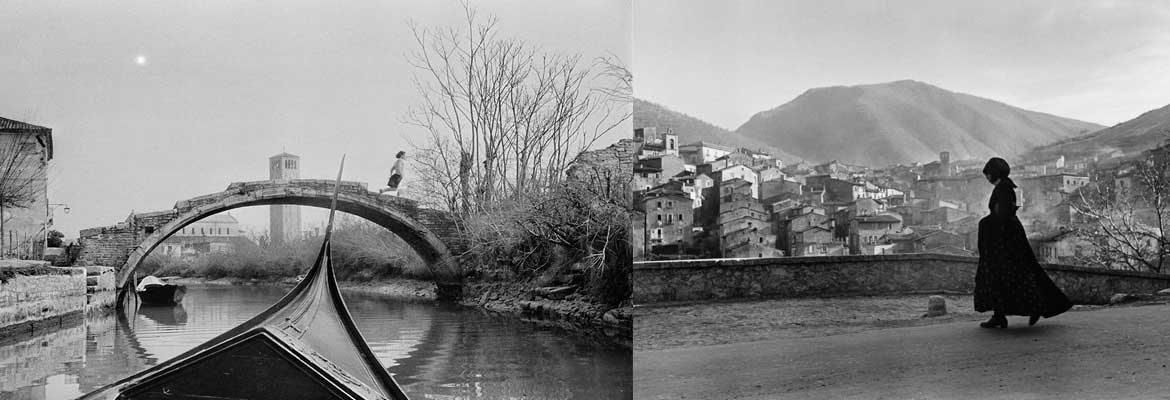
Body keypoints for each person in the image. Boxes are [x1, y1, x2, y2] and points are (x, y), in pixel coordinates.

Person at [974, 157, 1072, 328]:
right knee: (1008, 275)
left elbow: (1002, 215)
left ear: (993, 173)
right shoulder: (1006, 186)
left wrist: (987, 223)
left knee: (1008, 275)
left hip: (1004, 240)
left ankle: (1027, 309)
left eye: (988, 174)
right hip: (1007, 237)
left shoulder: (1003, 188)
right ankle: (1001, 314)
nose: (987, 177)